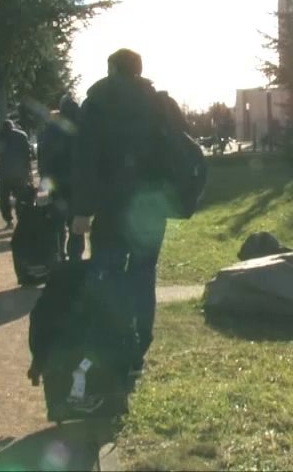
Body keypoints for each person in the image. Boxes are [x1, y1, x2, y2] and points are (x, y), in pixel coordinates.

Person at [71, 48, 183, 377]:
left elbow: (85, 161)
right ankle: (137, 350)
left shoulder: (97, 103)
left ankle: (110, 345)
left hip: (110, 207)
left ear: (112, 68)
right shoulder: (159, 104)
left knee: (108, 274)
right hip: (150, 207)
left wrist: (81, 211)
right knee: (143, 276)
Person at [38, 95, 82, 262]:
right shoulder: (82, 126)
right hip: (77, 181)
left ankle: (58, 254)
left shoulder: (51, 128)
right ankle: (75, 255)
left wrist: (44, 182)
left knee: (57, 221)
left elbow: (44, 157)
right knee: (76, 221)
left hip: (56, 181)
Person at [0, 118, 33, 229]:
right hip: (20, 172)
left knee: (4, 199)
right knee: (21, 197)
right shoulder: (22, 136)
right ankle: (22, 219)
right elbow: (28, 155)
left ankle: (9, 220)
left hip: (5, 173)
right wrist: (28, 171)